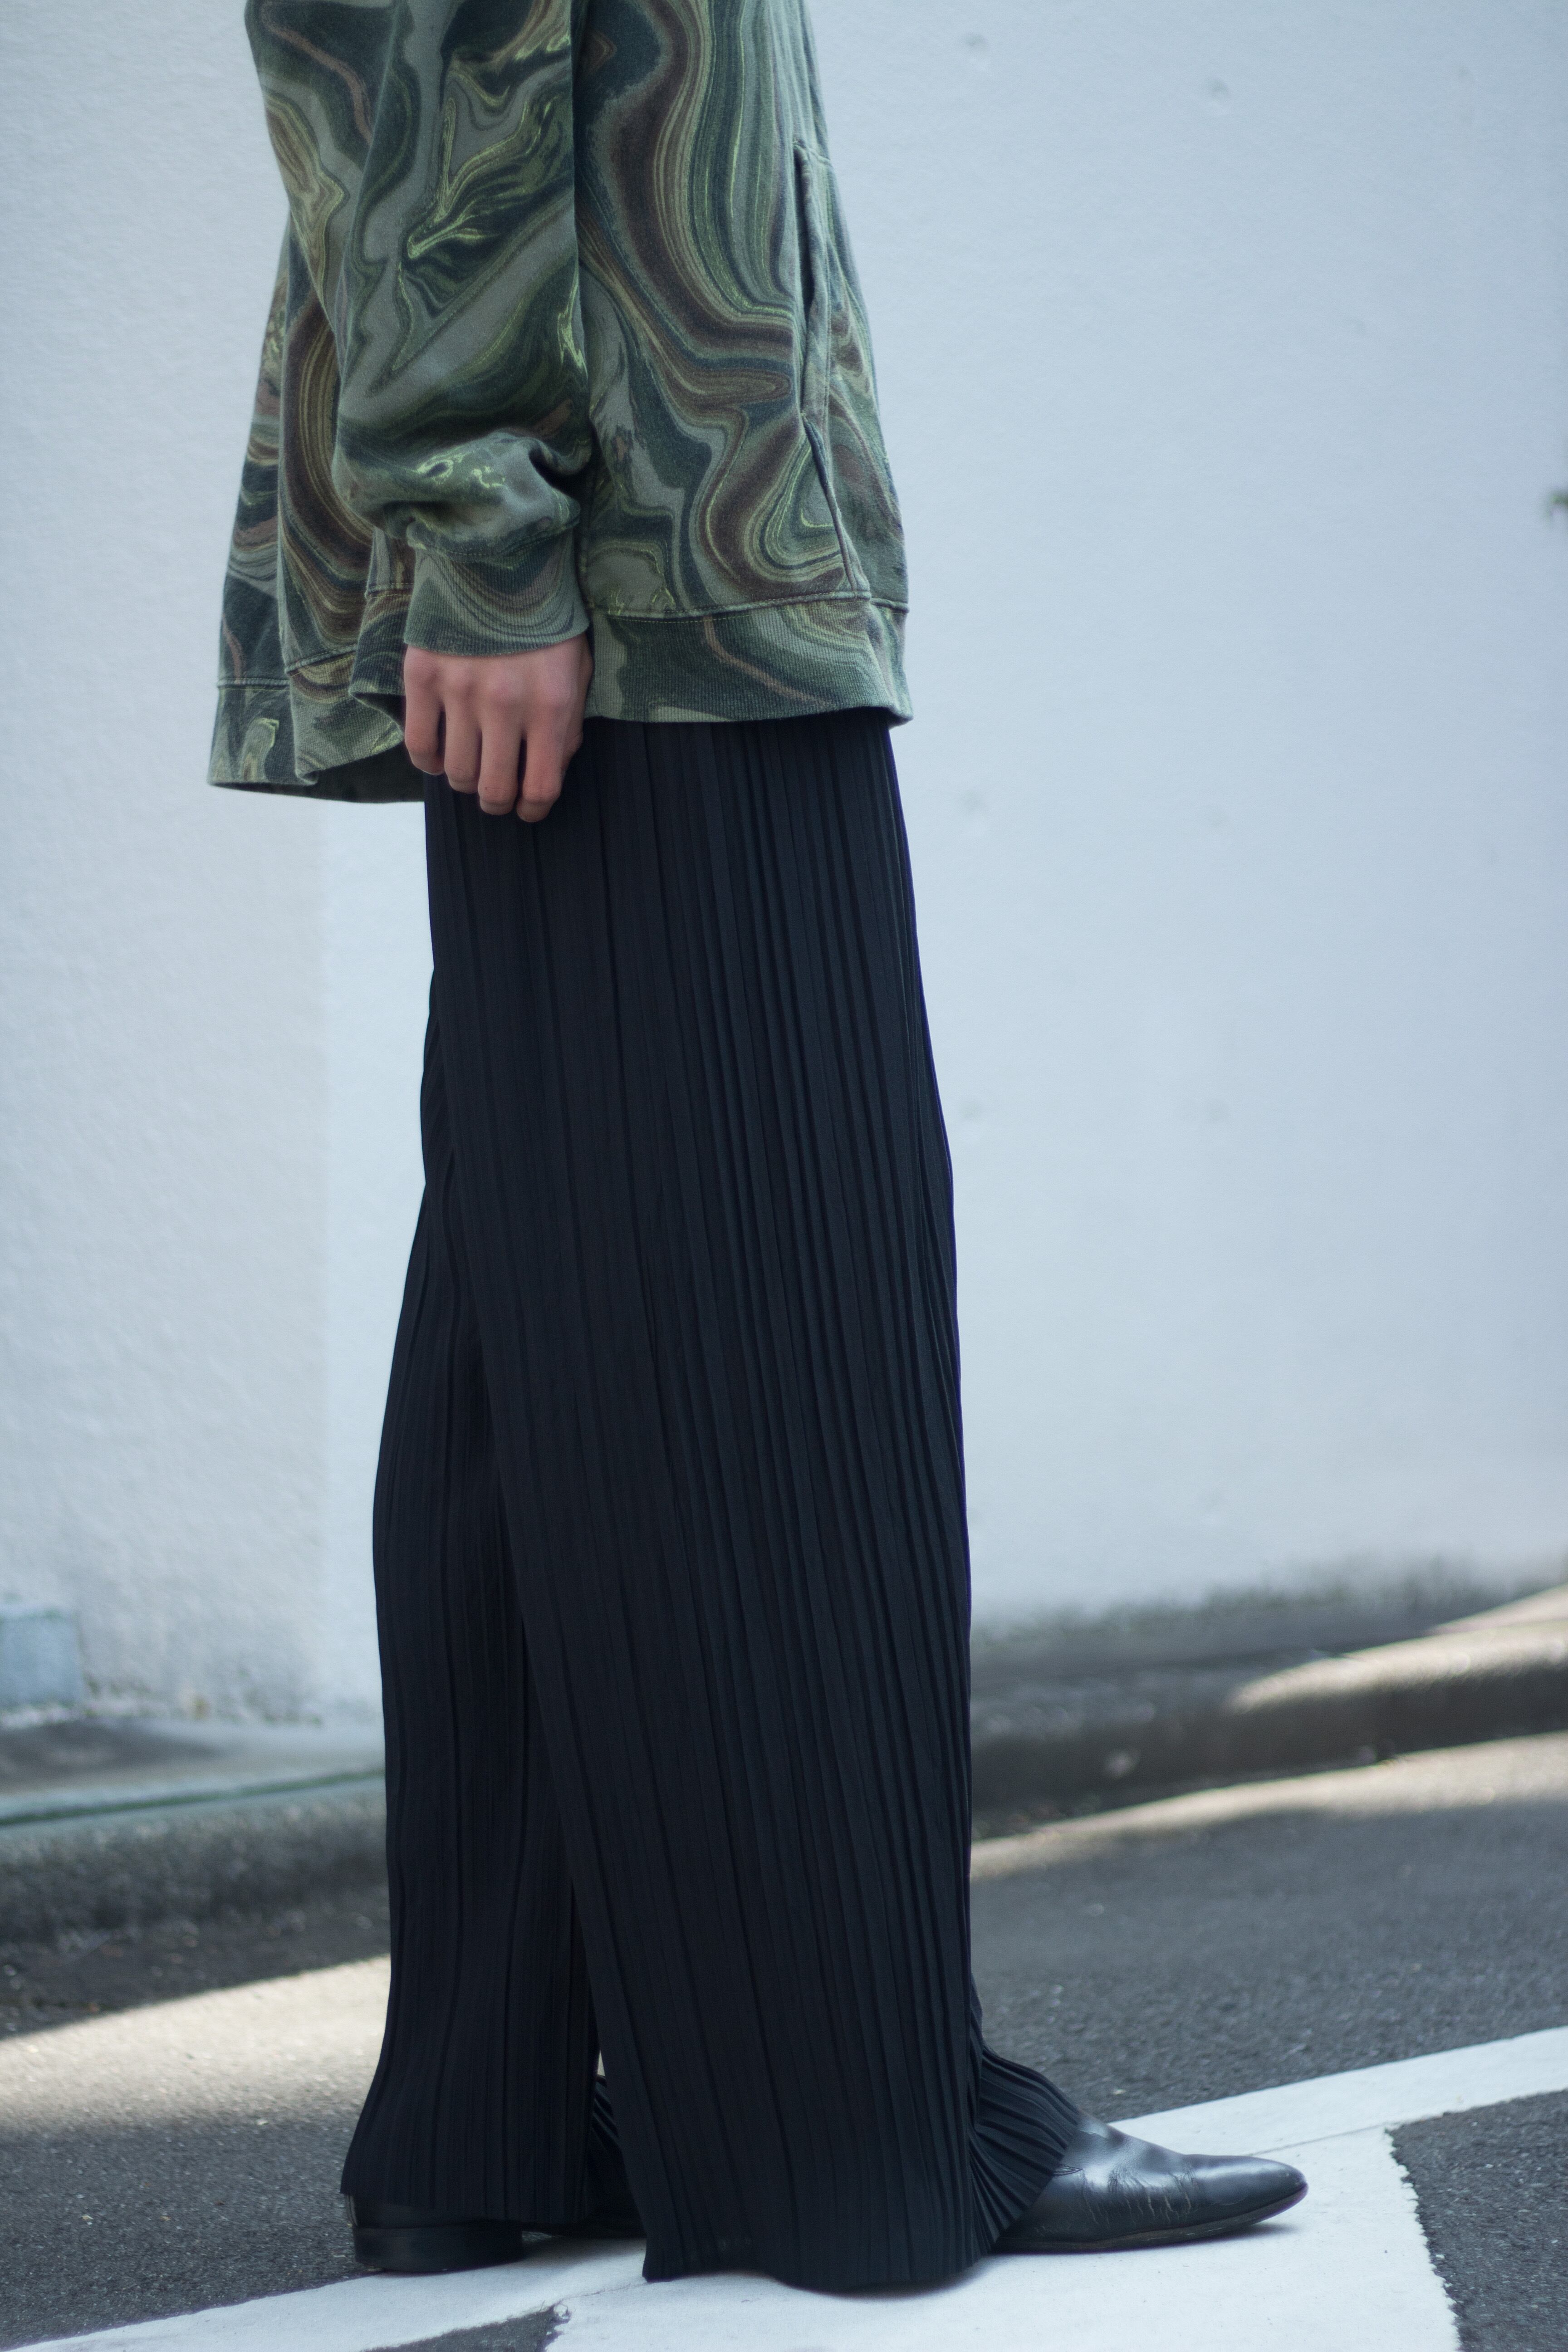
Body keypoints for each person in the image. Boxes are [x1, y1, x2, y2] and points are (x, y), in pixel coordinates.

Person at [213, 0, 1306, 2292]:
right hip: (643, 553)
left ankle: (493, 2110)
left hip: (640, 523)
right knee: (783, 1299)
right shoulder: (564, 542)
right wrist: (484, 527)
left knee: (541, 1301)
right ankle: (849, 2128)